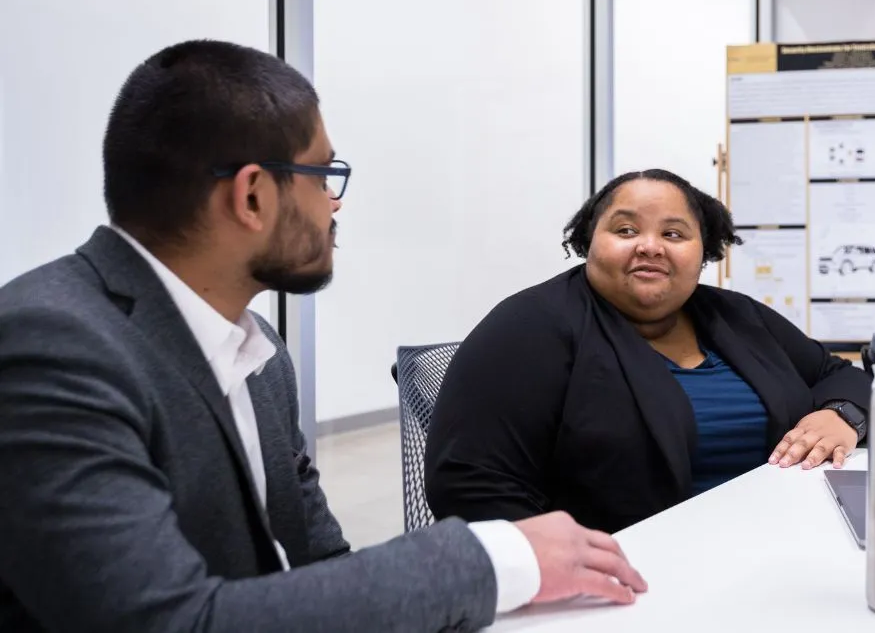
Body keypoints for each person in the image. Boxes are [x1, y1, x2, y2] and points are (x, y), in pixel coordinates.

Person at [0, 40, 645, 633]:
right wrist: (490, 557)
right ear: (253, 196)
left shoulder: (258, 355)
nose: (335, 203)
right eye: (323, 175)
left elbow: (317, 566)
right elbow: (167, 622)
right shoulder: (53, 345)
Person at [425, 169, 872, 534]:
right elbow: (469, 483)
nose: (650, 246)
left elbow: (840, 374)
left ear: (705, 251)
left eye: (674, 234)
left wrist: (840, 415)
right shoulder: (527, 327)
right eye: (625, 230)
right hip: (627, 578)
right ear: (587, 241)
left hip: (777, 537)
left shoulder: (737, 317)